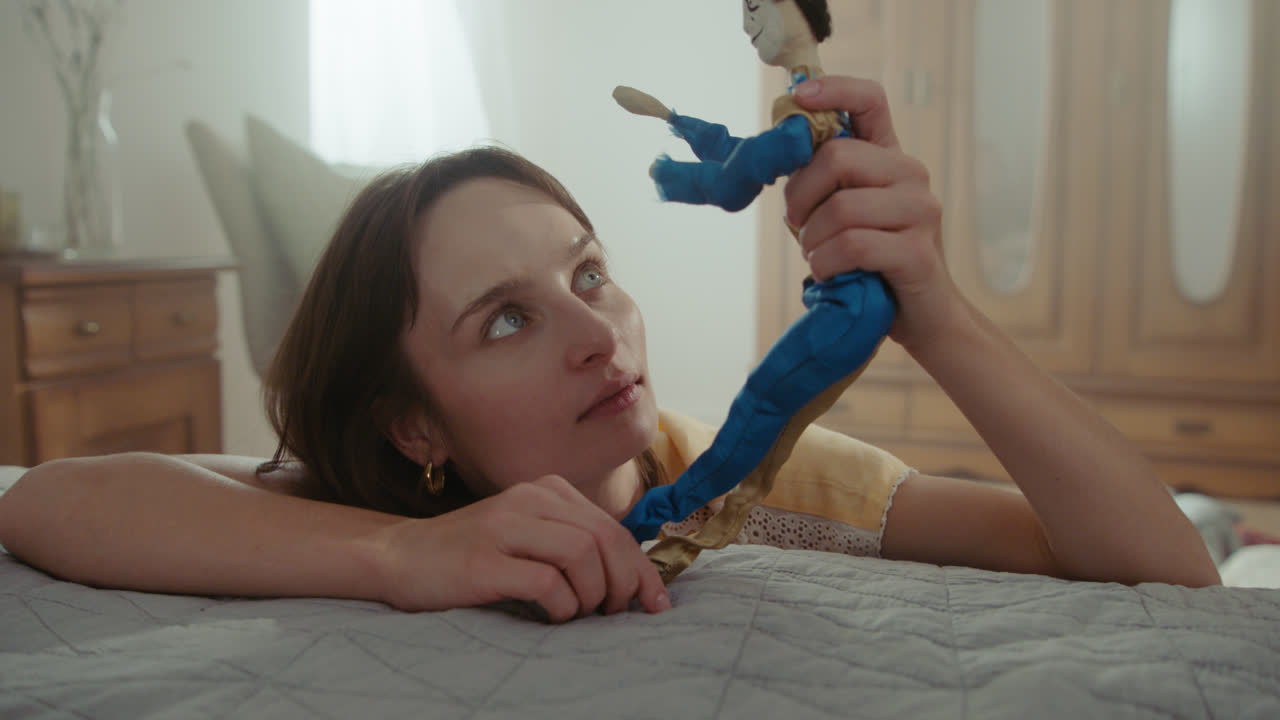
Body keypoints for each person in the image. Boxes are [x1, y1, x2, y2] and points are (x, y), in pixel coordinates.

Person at [0, 76, 1220, 625]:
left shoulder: (776, 485)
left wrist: (932, 306)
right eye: (509, 319)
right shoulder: (384, 504)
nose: (600, 333)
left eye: (588, 274)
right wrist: (401, 556)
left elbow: (1163, 568)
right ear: (412, 426)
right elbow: (53, 499)